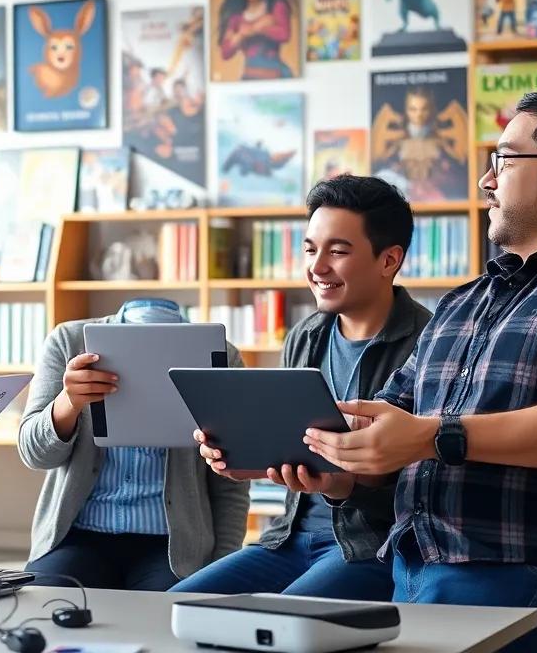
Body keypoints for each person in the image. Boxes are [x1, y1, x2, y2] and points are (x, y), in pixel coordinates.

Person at [211, 88, 537, 652]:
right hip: (413, 564)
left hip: (531, 562)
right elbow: (390, 428)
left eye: (505, 159)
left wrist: (434, 436)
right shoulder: (465, 300)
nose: (486, 180)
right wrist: (336, 466)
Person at [173, 174, 430, 598]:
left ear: (389, 260)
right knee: (177, 606)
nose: (317, 266)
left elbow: (427, 486)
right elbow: (290, 446)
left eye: (338, 251)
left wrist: (339, 484)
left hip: (371, 546)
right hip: (288, 537)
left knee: (279, 622)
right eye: (311, 249)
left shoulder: (431, 341)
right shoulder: (305, 335)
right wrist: (244, 457)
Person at [17, 297, 251, 592]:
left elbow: (231, 481)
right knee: (47, 605)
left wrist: (223, 562)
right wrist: (69, 401)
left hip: (173, 547)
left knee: (168, 621)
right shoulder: (69, 341)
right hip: (76, 536)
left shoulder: (220, 355)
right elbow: (34, 455)